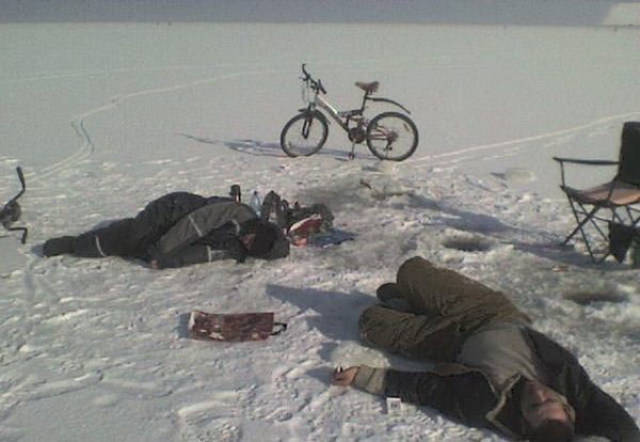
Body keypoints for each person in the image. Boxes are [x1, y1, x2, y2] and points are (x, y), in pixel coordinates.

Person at [332, 256, 640, 441]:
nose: (538, 393)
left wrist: (363, 376)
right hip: (490, 312)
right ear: (568, 409)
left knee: (370, 322)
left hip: (448, 339)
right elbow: (625, 432)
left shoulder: (485, 406)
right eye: (550, 400)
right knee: (411, 271)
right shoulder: (571, 382)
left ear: (523, 421)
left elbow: (426, 389)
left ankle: (408, 304)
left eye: (534, 406)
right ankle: (409, 297)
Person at [42, 191, 289, 268]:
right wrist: (162, 250)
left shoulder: (237, 248)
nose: (247, 241)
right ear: (259, 228)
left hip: (179, 230)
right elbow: (195, 224)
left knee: (141, 252)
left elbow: (203, 254)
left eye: (251, 246)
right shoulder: (238, 213)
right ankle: (73, 244)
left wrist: (166, 261)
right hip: (174, 210)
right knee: (131, 238)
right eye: (253, 238)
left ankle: (124, 235)